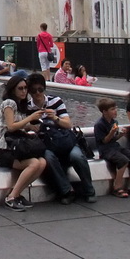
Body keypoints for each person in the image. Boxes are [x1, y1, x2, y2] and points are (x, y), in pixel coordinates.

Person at [27, 73, 97, 204]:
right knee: (48, 157)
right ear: (29, 91)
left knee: (77, 156)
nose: (37, 93)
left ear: (44, 88)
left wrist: (55, 118)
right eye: (33, 90)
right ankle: (66, 191)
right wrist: (30, 124)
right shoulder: (27, 107)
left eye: (40, 89)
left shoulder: (56, 101)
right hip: (47, 145)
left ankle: (89, 189)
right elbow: (21, 127)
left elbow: (68, 124)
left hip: (66, 141)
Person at [0, 74, 47, 211]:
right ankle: (11, 197)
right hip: (6, 149)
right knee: (35, 163)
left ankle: (16, 194)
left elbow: (20, 126)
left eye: (25, 88)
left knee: (42, 162)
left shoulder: (21, 105)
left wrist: (31, 126)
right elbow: (11, 126)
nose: (24, 91)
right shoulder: (9, 103)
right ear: (13, 89)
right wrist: (29, 118)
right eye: (20, 88)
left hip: (17, 147)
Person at [93, 98, 130, 197]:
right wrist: (112, 132)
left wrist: (120, 135)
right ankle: (117, 186)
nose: (115, 111)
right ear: (104, 112)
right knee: (123, 160)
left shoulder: (114, 122)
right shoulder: (99, 124)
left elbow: (114, 139)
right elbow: (104, 141)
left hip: (115, 147)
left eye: (115, 108)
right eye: (112, 109)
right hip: (106, 150)